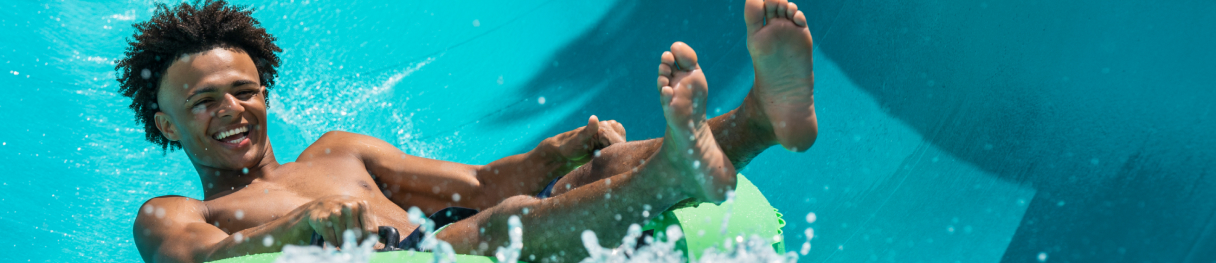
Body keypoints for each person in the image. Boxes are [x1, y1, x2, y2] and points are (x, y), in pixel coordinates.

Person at [118, 0, 818, 262]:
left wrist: (557, 149)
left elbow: (481, 184)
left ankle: (759, 121)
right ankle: (674, 178)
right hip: (436, 253)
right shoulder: (175, 212)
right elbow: (199, 259)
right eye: (203, 101)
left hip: (452, 240)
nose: (232, 109)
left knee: (598, 169)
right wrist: (298, 226)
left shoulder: (340, 152)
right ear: (167, 126)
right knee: (501, 225)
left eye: (244, 90)